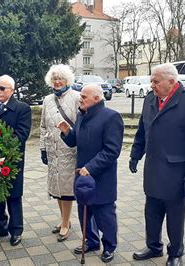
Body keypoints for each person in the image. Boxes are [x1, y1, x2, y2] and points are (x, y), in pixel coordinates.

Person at [129, 63, 185, 266]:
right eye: (151, 81)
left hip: (177, 171)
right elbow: (142, 130)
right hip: (153, 169)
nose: (151, 85)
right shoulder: (150, 99)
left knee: (175, 215)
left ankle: (176, 253)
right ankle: (154, 246)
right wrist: (135, 155)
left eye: (155, 81)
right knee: (152, 211)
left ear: (171, 82)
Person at [58, 84, 124, 263]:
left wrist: (91, 167)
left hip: (101, 176)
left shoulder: (111, 117)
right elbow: (75, 142)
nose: (80, 99)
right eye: (81, 96)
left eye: (84, 97)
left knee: (105, 214)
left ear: (97, 98)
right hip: (82, 176)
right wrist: (66, 132)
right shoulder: (81, 115)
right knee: (84, 211)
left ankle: (109, 246)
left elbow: (112, 150)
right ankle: (92, 241)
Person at [0, 75, 32, 246]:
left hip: (11, 161)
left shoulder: (22, 108)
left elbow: (21, 135)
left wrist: (0, 147)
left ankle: (16, 230)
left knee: (13, 195)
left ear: (11, 90)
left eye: (3, 88)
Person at [39, 64, 80, 242]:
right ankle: (64, 220)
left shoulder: (77, 97)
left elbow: (81, 125)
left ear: (67, 80)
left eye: (60, 78)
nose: (57, 81)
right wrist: (42, 148)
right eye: (54, 78)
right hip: (52, 149)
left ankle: (65, 223)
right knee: (56, 188)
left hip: (69, 150)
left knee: (66, 188)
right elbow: (42, 126)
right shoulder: (47, 100)